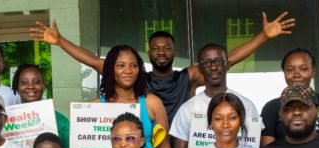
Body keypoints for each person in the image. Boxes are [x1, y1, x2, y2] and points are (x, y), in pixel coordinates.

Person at [30, 12, 294, 120]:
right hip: (145, 144)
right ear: (149, 52)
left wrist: (263, 36)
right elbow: (94, 61)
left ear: (174, 52)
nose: (161, 52)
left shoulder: (187, 77)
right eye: (155, 48)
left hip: (180, 145)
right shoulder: (136, 76)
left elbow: (227, 60)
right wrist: (60, 41)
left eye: (167, 48)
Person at [11, 63, 82, 148]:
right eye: (24, 82)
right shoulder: (8, 121)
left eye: (36, 82)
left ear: (43, 86)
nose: (30, 86)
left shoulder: (61, 121)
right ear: (16, 87)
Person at [260, 48, 319, 145]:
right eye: (290, 70)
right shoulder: (271, 108)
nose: (296, 75)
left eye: (303, 69)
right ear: (284, 73)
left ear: (313, 72)